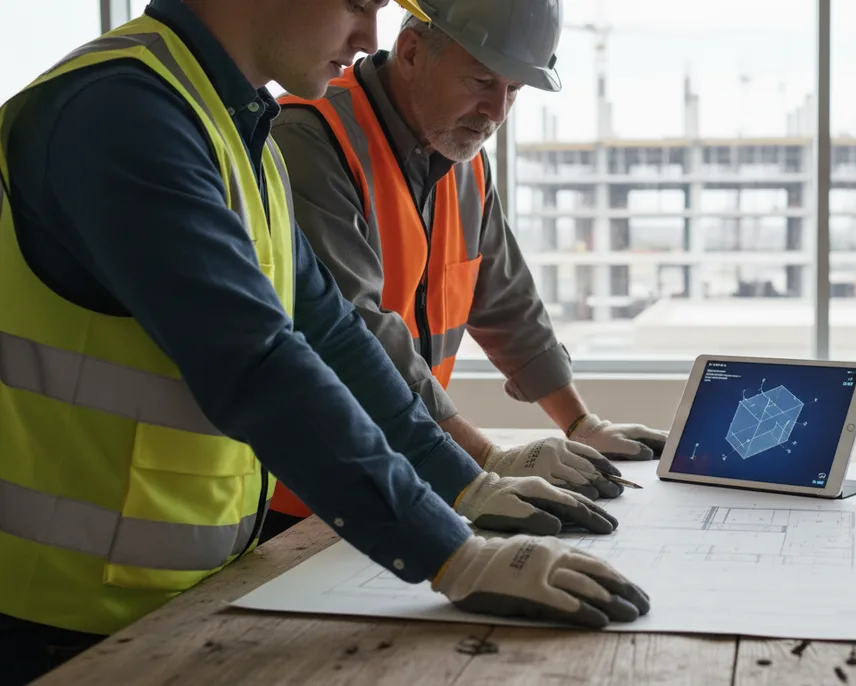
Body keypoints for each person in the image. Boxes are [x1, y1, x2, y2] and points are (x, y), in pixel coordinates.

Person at [0, 1, 648, 682]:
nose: (372, 37)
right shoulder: (121, 115)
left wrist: (465, 485)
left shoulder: (232, 122)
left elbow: (331, 334)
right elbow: (256, 366)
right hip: (57, 621)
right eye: (357, 3)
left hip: (176, 593)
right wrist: (452, 554)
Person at [263, 0, 669, 535]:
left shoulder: (462, 153)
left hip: (410, 476)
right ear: (410, 52)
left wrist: (580, 422)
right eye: (482, 81)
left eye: (514, 91)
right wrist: (487, 461)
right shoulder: (308, 137)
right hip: (301, 498)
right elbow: (356, 331)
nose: (497, 111)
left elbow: (506, 301)